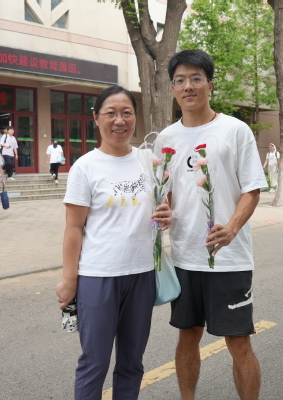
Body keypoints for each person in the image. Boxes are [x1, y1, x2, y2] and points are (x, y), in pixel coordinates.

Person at [160, 49, 266, 400]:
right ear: (173, 88)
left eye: (196, 78)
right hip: (184, 256)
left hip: (229, 258)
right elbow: (167, 194)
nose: (187, 86)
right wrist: (163, 210)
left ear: (210, 85)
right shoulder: (166, 139)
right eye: (179, 80)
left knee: (238, 342)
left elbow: (252, 189)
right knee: (187, 335)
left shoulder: (235, 130)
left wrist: (232, 228)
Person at [55, 85, 171, 400]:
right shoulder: (85, 167)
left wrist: (166, 213)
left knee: (132, 362)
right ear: (96, 118)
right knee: (94, 362)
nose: (119, 121)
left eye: (127, 113)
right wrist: (69, 279)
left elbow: (164, 204)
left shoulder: (149, 161)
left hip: (142, 274)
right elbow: (74, 227)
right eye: (111, 113)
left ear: (135, 117)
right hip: (98, 275)